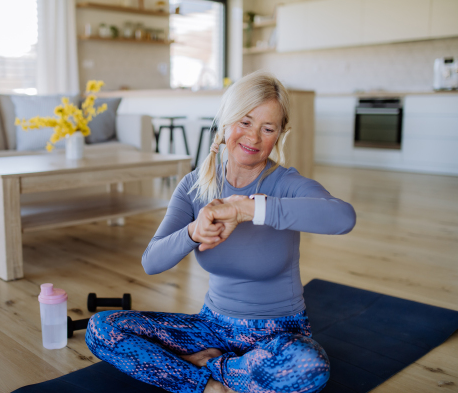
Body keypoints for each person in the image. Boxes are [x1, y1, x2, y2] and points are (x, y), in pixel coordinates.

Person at [86, 70, 356, 393]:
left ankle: (208, 365)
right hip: (211, 326)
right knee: (102, 328)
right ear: (226, 121)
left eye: (267, 128)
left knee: (308, 366)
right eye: (244, 122)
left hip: (278, 335)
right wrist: (192, 232)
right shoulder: (195, 186)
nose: (253, 138)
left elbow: (343, 217)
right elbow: (151, 262)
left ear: (279, 135)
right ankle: (210, 387)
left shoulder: (285, 184)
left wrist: (247, 209)